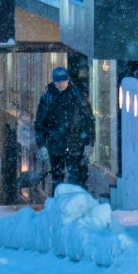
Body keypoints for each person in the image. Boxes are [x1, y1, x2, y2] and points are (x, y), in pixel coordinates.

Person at [32, 66, 93, 194]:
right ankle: (58, 201)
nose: (60, 84)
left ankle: (76, 201)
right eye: (57, 81)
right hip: (56, 144)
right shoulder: (48, 98)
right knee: (57, 178)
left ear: (68, 80)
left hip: (75, 143)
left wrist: (89, 143)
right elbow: (40, 124)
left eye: (62, 81)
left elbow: (88, 121)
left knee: (76, 179)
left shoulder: (78, 96)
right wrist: (41, 145)